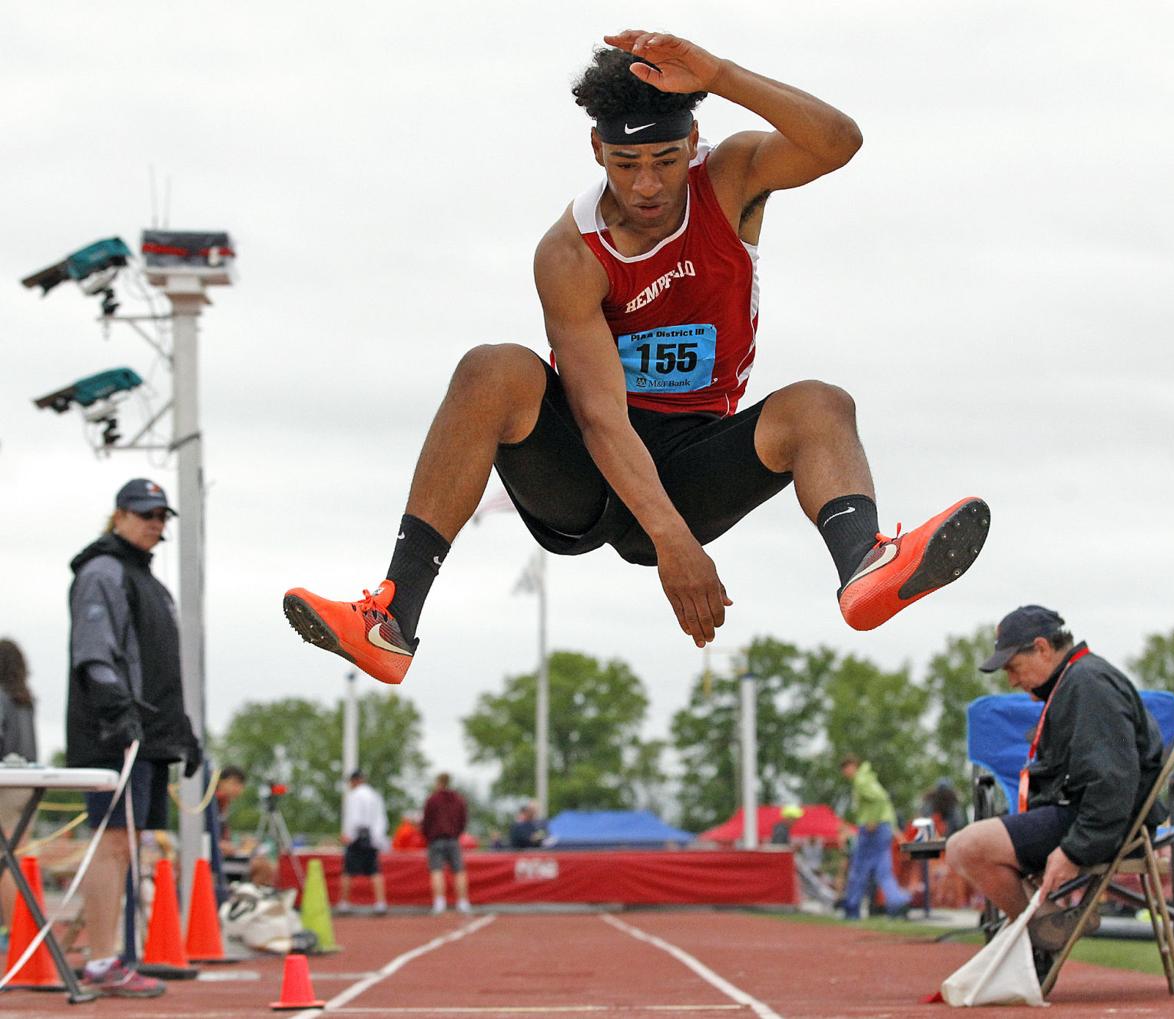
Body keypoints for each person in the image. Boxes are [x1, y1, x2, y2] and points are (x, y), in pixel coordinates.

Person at [282, 29, 990, 687]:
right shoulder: (570, 254)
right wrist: (674, 544)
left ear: (694, 143)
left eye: (665, 161)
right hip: (589, 471)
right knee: (491, 368)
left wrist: (719, 74)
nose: (647, 186)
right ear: (597, 150)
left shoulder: (732, 177)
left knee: (820, 404)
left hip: (693, 460)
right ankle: (392, 618)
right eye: (627, 165)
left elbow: (839, 141)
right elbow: (599, 416)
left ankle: (865, 565)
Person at [945, 606, 1165, 972]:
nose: (1012, 681)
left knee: (966, 847)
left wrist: (1074, 851)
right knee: (976, 843)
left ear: (1043, 648)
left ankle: (1046, 932)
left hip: (1104, 825)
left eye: (1013, 667)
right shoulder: (1078, 681)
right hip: (1094, 818)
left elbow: (1111, 783)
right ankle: (1046, 928)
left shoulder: (1088, 685)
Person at [67, 478, 202, 998]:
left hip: (149, 736)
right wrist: (116, 709)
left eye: (162, 515)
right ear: (119, 515)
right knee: (113, 842)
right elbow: (94, 652)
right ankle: (102, 961)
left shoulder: (151, 584)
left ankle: (115, 954)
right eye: (146, 513)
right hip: (113, 734)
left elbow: (161, 668)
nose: (155, 522)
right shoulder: (103, 572)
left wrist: (181, 731)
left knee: (130, 844)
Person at [839, 754, 910, 919]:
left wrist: (873, 819)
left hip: (872, 828)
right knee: (883, 870)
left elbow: (879, 799)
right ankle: (897, 903)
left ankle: (852, 907)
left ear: (852, 766)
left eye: (845, 769)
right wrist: (892, 827)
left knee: (859, 869)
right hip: (884, 827)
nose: (845, 773)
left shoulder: (861, 780)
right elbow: (885, 802)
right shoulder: (869, 778)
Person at [0, 638, 37, 930]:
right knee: (20, 856)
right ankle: (21, 927)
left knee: (7, 858)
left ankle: (13, 929)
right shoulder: (24, 700)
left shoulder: (2, 698)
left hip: (7, 783)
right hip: (30, 782)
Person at [337, 769, 389, 915]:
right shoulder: (375, 795)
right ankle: (380, 903)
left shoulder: (354, 796)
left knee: (348, 871)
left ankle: (344, 903)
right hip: (372, 837)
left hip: (358, 836)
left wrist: (349, 835)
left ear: (355, 781)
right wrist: (378, 838)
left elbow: (354, 818)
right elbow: (381, 818)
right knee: (375, 871)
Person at [421, 772, 470, 913]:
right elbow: (463, 820)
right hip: (453, 839)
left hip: (436, 840)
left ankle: (439, 902)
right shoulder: (459, 799)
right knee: (459, 871)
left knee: (437, 871)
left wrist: (428, 835)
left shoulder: (432, 799)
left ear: (439, 783)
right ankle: (463, 902)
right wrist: (456, 833)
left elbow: (426, 820)